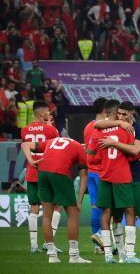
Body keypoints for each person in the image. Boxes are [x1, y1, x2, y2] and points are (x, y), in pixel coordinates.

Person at [21, 133, 90, 263]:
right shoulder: (79, 147)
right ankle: (74, 256)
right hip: (60, 173)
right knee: (73, 214)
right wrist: (79, 201)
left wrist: (31, 161)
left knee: (47, 215)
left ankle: (52, 256)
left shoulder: (50, 141)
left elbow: (25, 144)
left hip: (42, 173)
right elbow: (84, 176)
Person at [93, 101, 140, 264]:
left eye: (124, 115)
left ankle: (109, 255)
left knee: (107, 212)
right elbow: (134, 153)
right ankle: (129, 254)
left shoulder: (100, 131)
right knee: (129, 211)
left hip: (105, 174)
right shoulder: (128, 130)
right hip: (122, 175)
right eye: (119, 114)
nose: (121, 117)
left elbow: (93, 156)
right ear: (116, 113)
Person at [21, 99, 60, 254]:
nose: (49, 114)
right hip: (48, 171)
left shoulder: (24, 130)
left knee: (34, 207)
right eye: (48, 112)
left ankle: (33, 245)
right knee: (55, 206)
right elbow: (57, 144)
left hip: (32, 171)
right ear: (42, 113)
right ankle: (49, 243)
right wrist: (50, 125)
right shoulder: (50, 130)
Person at [83, 98, 114, 253]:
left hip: (91, 172)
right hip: (104, 171)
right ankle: (103, 237)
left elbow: (88, 150)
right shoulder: (108, 127)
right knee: (111, 208)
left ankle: (97, 246)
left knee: (96, 207)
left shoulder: (88, 126)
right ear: (105, 110)